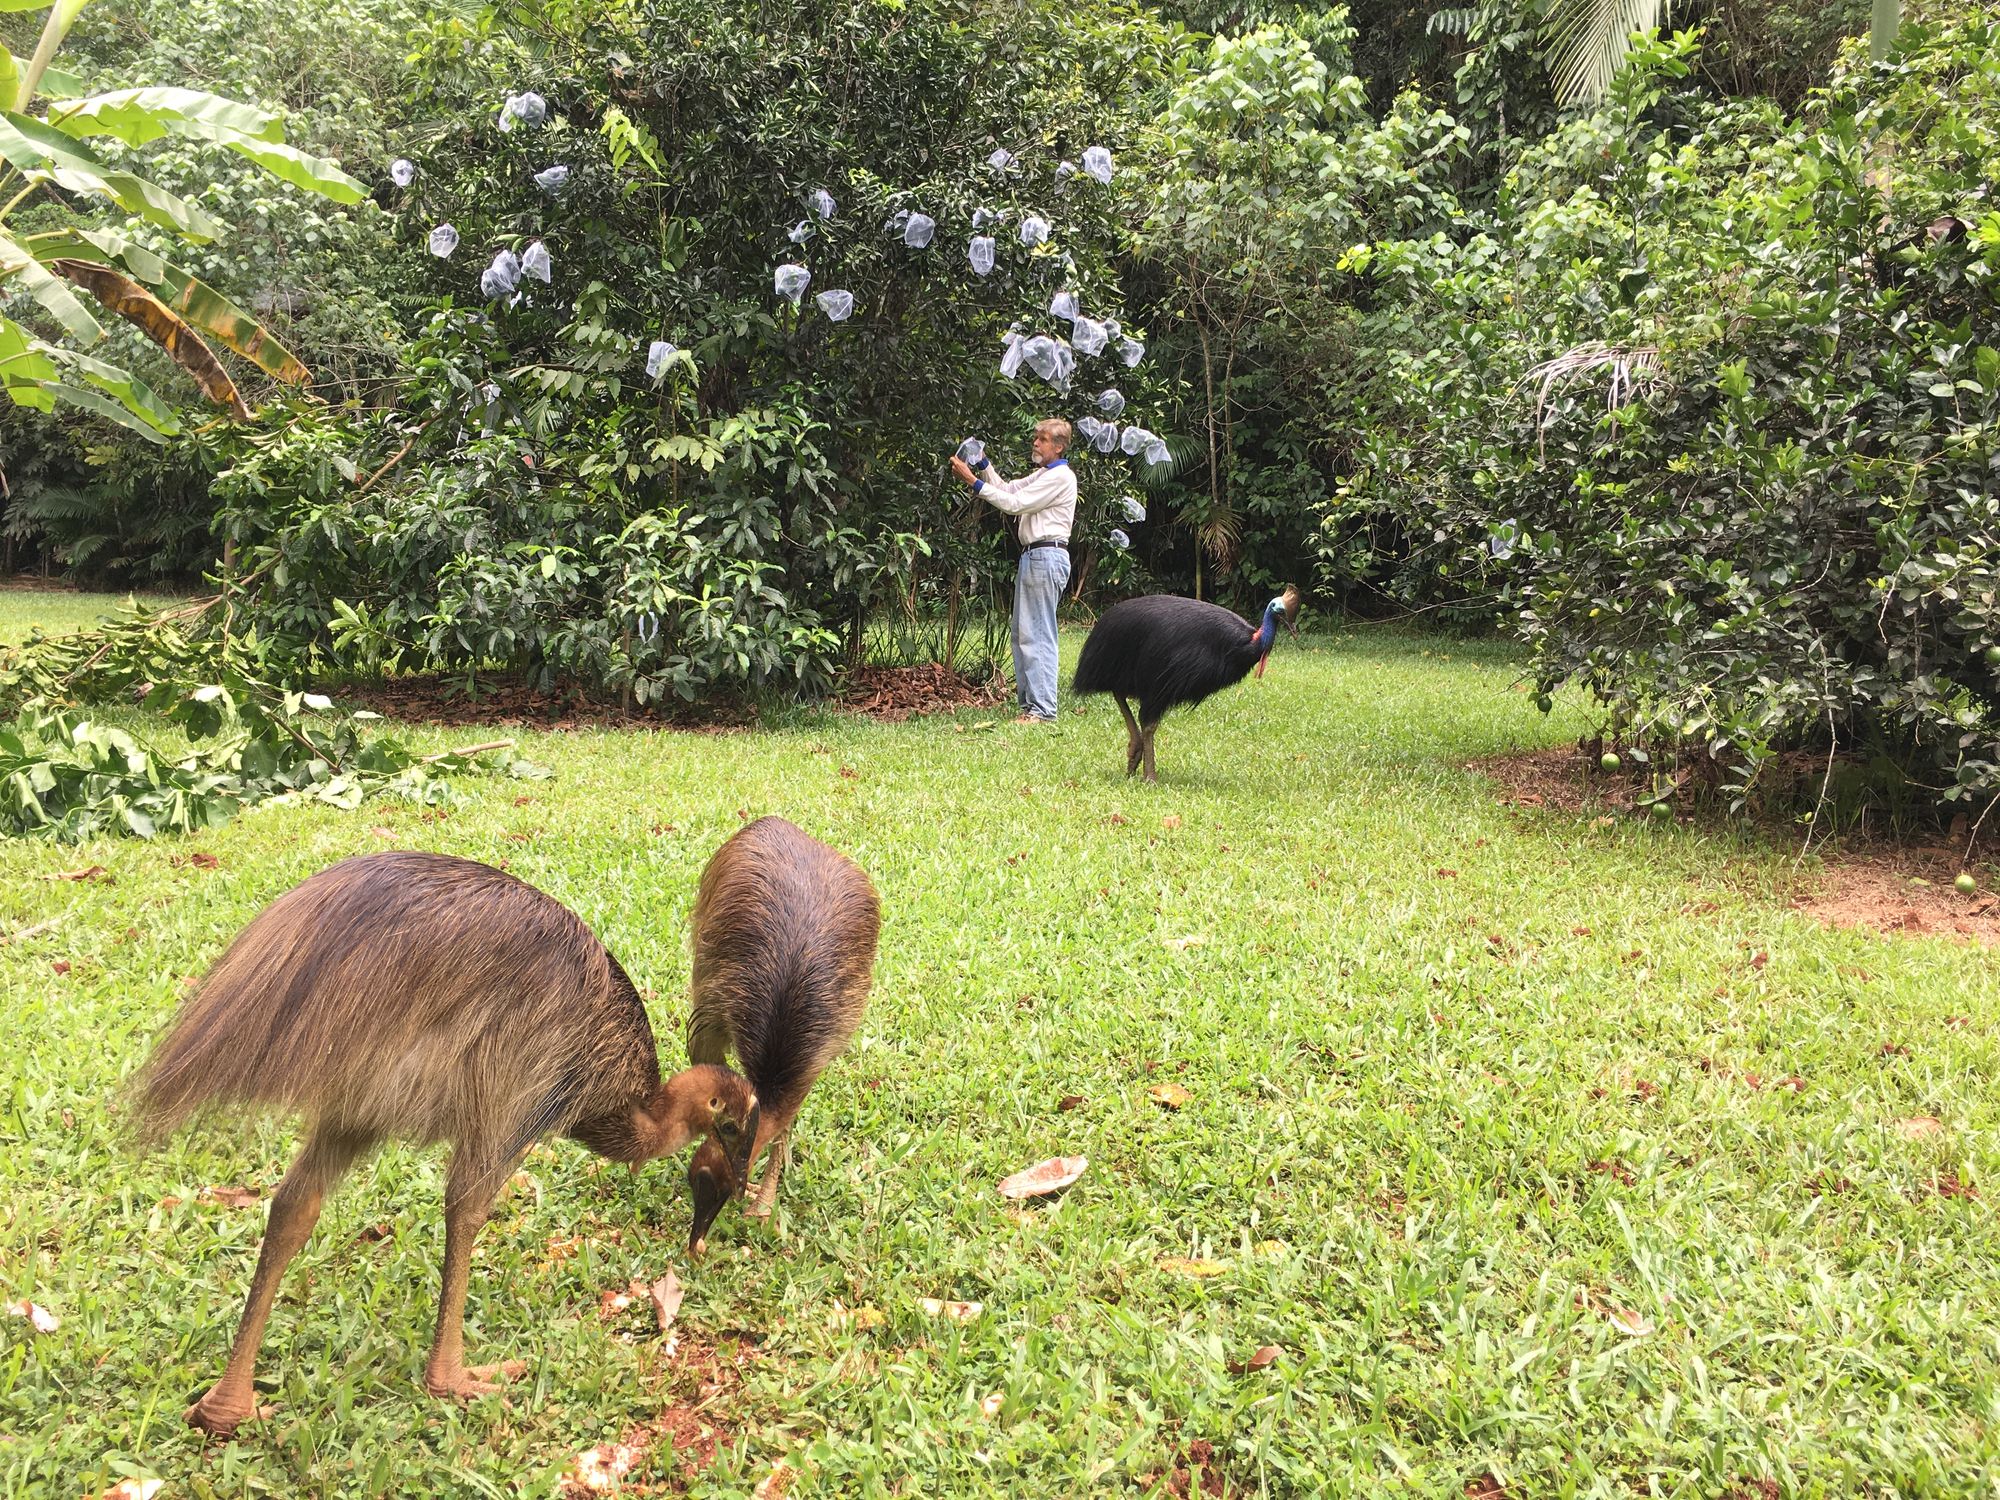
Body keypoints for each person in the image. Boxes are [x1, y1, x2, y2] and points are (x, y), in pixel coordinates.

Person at [951, 419, 1078, 724]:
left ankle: (1043, 710)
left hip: (1046, 555)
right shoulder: (1044, 474)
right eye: (1036, 437)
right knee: (1023, 634)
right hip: (1034, 557)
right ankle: (1030, 707)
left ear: (1058, 446)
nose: (1036, 443)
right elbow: (1007, 489)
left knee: (1038, 634)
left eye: (1043, 439)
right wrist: (983, 464)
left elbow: (1015, 504)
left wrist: (972, 481)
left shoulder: (1060, 477)